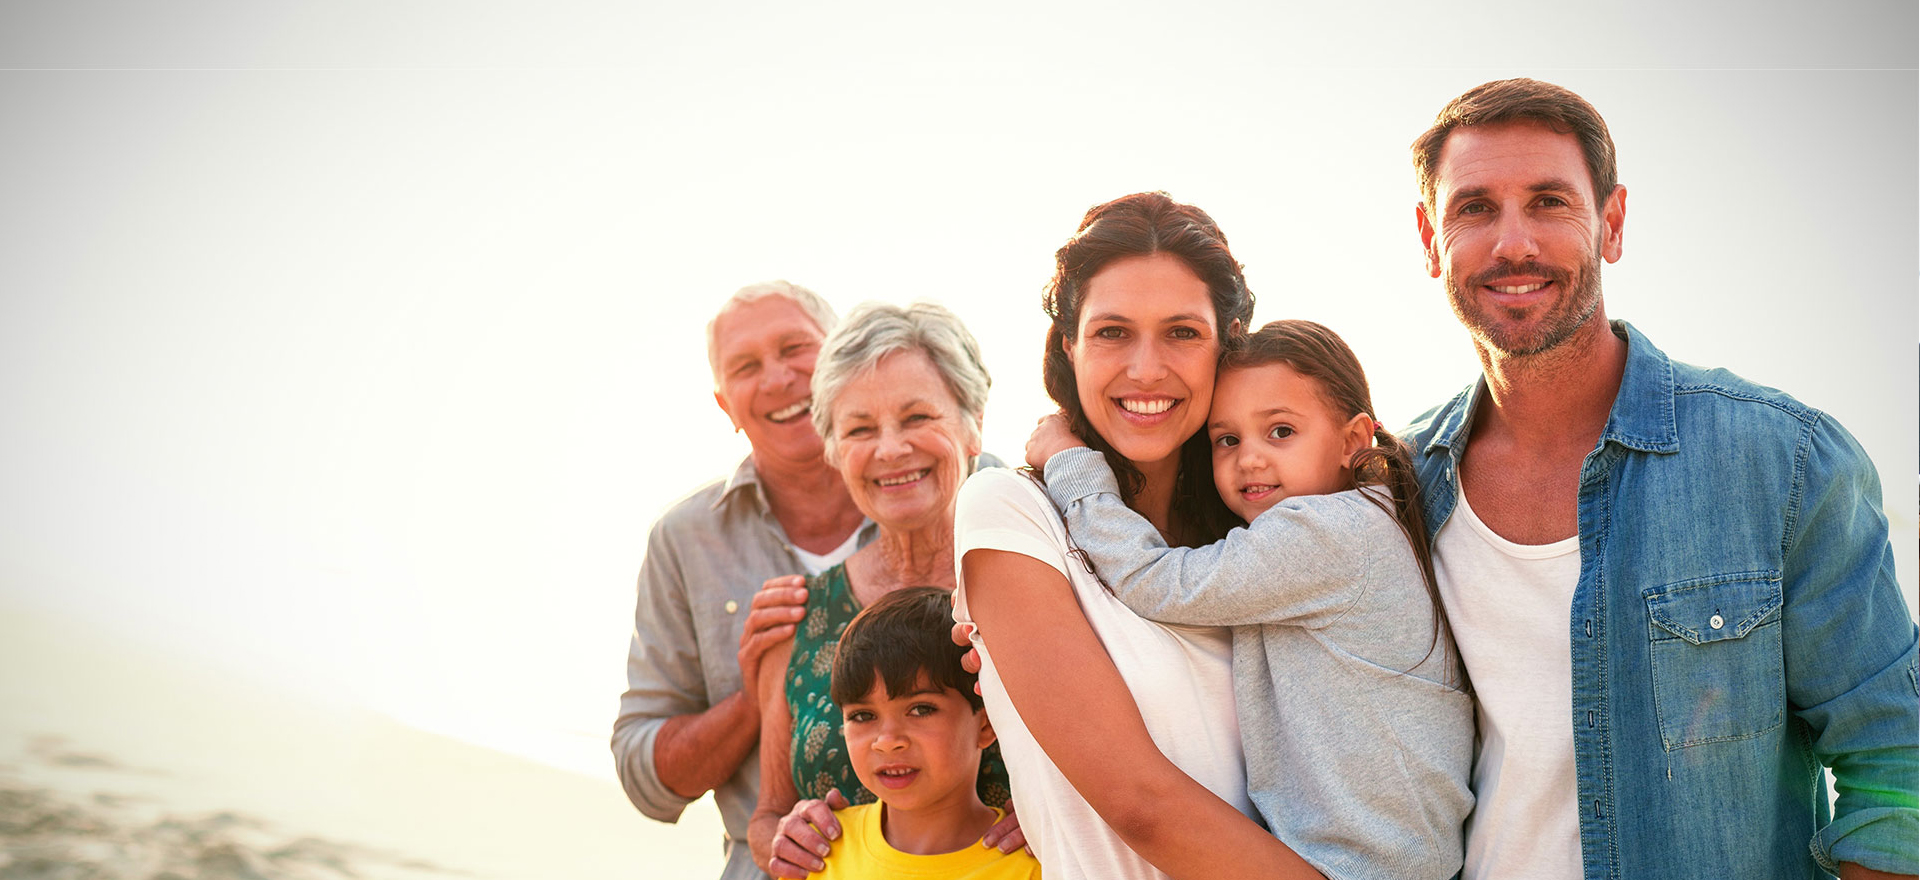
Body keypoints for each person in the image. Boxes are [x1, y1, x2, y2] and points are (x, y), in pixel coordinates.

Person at [1404, 77, 1919, 879]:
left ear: (1610, 224)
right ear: (1430, 240)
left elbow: (1896, 759)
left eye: (1549, 202)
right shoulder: (1395, 493)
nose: (1513, 244)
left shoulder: (1781, 462)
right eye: (1474, 208)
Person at [951, 191, 1323, 880]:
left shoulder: (1266, 530)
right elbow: (1139, 803)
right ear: (1069, 344)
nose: (1146, 370)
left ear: (1227, 343)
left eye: (1182, 332)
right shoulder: (1010, 511)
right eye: (1112, 332)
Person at [1021, 318, 1473, 879]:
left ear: (1354, 441)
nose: (1250, 459)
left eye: (1280, 431)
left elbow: (1158, 583)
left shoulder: (1328, 533)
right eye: (1227, 440)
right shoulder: (1353, 525)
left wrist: (1070, 463)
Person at [748, 302, 1017, 877]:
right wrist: (785, 837)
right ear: (834, 452)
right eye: (860, 429)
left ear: (972, 425)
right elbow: (767, 812)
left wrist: (1062, 814)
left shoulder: (1039, 590)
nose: (890, 449)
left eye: (918, 418)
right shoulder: (798, 617)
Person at [613, 280, 870, 880]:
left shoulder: (954, 486)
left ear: (843, 357)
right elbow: (645, 779)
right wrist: (756, 698)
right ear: (725, 406)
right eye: (746, 366)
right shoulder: (684, 540)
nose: (778, 378)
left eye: (794, 348)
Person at [808, 586, 1042, 880]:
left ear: (985, 724)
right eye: (863, 716)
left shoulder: (1038, 865)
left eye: (920, 710)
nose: (888, 742)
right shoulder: (816, 855)